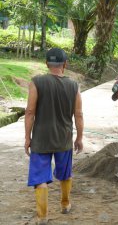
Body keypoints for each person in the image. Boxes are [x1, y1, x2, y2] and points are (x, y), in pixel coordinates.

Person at [24, 48, 84, 225]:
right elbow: (78, 114)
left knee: (40, 178)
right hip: (64, 138)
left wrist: (28, 138)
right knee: (65, 174)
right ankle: (65, 205)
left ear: (46, 64)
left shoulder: (36, 82)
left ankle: (42, 217)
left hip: (41, 139)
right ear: (65, 64)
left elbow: (29, 112)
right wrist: (79, 138)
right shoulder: (74, 86)